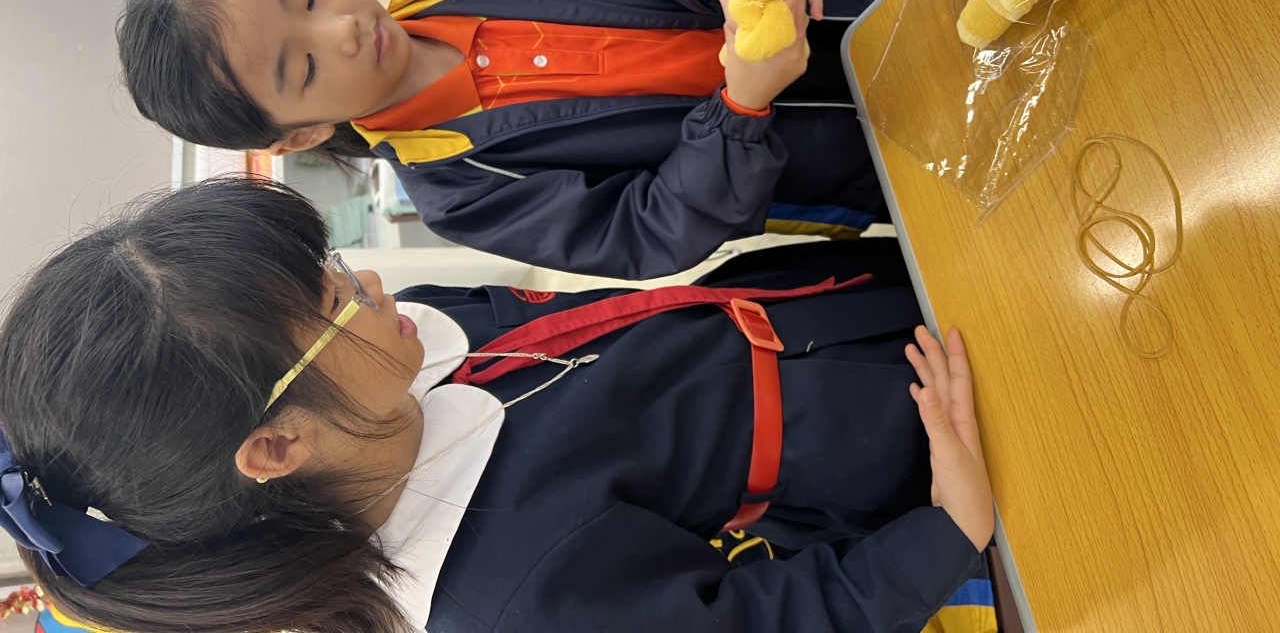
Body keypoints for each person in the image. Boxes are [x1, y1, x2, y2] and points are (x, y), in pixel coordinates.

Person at [0, 178, 994, 633]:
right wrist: (950, 527)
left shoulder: (408, 348)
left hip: (844, 304)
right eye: (329, 302)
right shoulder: (501, 595)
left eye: (328, 264)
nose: (367, 285)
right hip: (924, 450)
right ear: (274, 447)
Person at [118, 0, 889, 280]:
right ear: (301, 135)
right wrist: (741, 106)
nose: (342, 28)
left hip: (850, 23)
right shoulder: (461, 191)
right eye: (305, 66)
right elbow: (648, 232)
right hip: (848, 167)